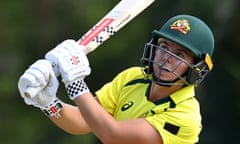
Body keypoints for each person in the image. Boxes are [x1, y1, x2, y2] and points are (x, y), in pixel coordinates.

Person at [18, 14, 215, 144]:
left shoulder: (185, 116)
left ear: (196, 68)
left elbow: (113, 135)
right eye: (164, 47)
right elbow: (82, 122)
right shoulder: (132, 78)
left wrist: (75, 83)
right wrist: (48, 103)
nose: (166, 58)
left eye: (180, 55)